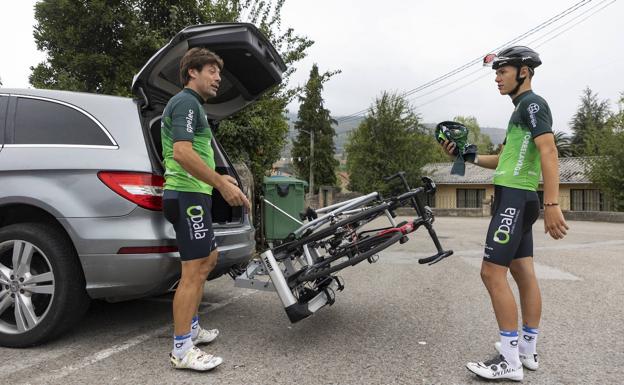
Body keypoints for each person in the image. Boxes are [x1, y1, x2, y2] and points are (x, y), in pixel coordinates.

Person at [441, 46, 569, 381]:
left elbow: (549, 150)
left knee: (490, 273)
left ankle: (509, 362)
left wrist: (553, 203)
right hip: (519, 196)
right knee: (524, 273)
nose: (497, 78)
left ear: (523, 72)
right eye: (496, 73)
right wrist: (468, 156)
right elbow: (502, 161)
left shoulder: (532, 104)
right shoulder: (521, 111)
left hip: (514, 199)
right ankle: (526, 350)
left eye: (503, 71)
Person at [161, 47, 251, 371]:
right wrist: (220, 184)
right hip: (186, 197)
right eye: (212, 71)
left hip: (194, 198)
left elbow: (198, 152)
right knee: (192, 271)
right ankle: (181, 349)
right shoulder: (185, 101)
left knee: (208, 261)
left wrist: (223, 175)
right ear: (192, 73)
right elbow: (182, 153)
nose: (218, 78)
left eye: (218, 72)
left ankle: (192, 328)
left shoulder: (195, 107)